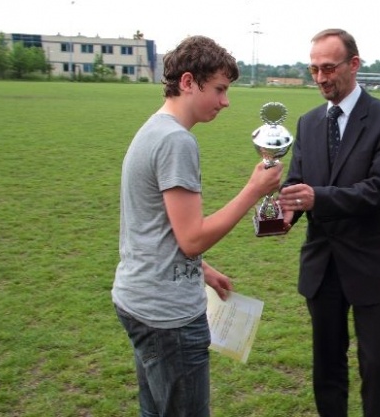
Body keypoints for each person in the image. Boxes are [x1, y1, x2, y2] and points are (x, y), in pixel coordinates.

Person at [111, 35, 282, 416]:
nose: (226, 101)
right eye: (219, 89)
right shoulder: (176, 141)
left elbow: (155, 226)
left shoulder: (154, 129)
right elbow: (191, 238)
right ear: (188, 82)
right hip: (167, 315)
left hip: (139, 299)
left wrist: (201, 270)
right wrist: (253, 190)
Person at [278, 28, 380, 417]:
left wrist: (317, 198)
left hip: (373, 266)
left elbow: (379, 190)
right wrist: (286, 213)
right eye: (314, 69)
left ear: (354, 64)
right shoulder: (307, 123)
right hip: (322, 267)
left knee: (377, 367)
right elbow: (295, 183)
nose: (320, 78)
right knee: (327, 366)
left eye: (328, 68)